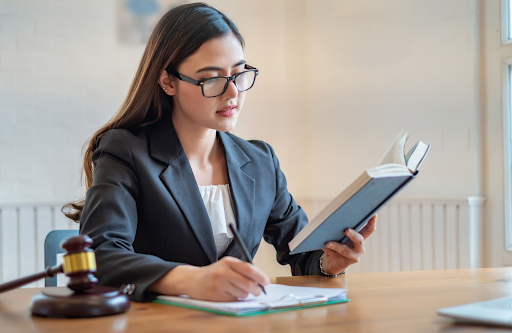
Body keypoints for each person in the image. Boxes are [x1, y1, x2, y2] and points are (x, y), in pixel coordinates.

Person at [64, 2, 377, 303]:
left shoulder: (259, 161)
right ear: (167, 82)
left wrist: (329, 262)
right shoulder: (127, 151)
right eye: (212, 78)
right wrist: (192, 280)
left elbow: (302, 252)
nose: (233, 93)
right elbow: (101, 255)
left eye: (239, 74)